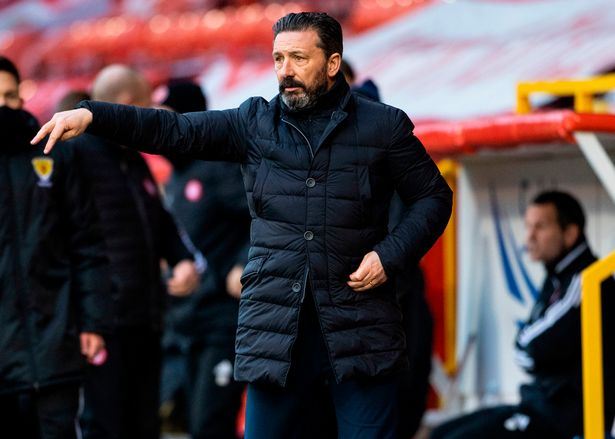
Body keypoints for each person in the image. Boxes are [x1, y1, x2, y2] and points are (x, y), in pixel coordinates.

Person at [33, 12, 453, 439]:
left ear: (332, 63)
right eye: (278, 59)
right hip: (276, 335)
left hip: (360, 330)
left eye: (298, 58)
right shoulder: (254, 123)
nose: (285, 70)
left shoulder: (383, 126)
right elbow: (174, 128)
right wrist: (94, 116)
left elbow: (434, 197)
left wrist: (388, 256)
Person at [63, 65, 201, 439]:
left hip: (145, 317)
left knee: (144, 424)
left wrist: (182, 259)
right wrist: (85, 318)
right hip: (102, 325)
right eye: (146, 106)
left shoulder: (133, 158)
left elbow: (161, 220)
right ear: (128, 104)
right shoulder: (75, 157)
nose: (149, 117)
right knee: (106, 424)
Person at [430, 190, 615, 439]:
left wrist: (533, 350)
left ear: (570, 233)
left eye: (540, 227)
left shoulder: (588, 280)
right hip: (541, 406)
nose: (529, 236)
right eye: (528, 226)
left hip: (564, 419)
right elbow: (531, 349)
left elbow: (529, 348)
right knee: (440, 432)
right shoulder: (559, 275)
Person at [0, 56, 109, 439]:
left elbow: (87, 242)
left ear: (22, 97)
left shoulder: (54, 154)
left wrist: (93, 321)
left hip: (57, 347)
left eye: (9, 96)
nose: (4, 106)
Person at [160, 80, 250, 439]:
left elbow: (263, 217)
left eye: (167, 119)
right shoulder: (174, 178)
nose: (160, 130)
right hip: (187, 323)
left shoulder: (219, 167)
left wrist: (245, 264)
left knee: (210, 425)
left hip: (223, 321)